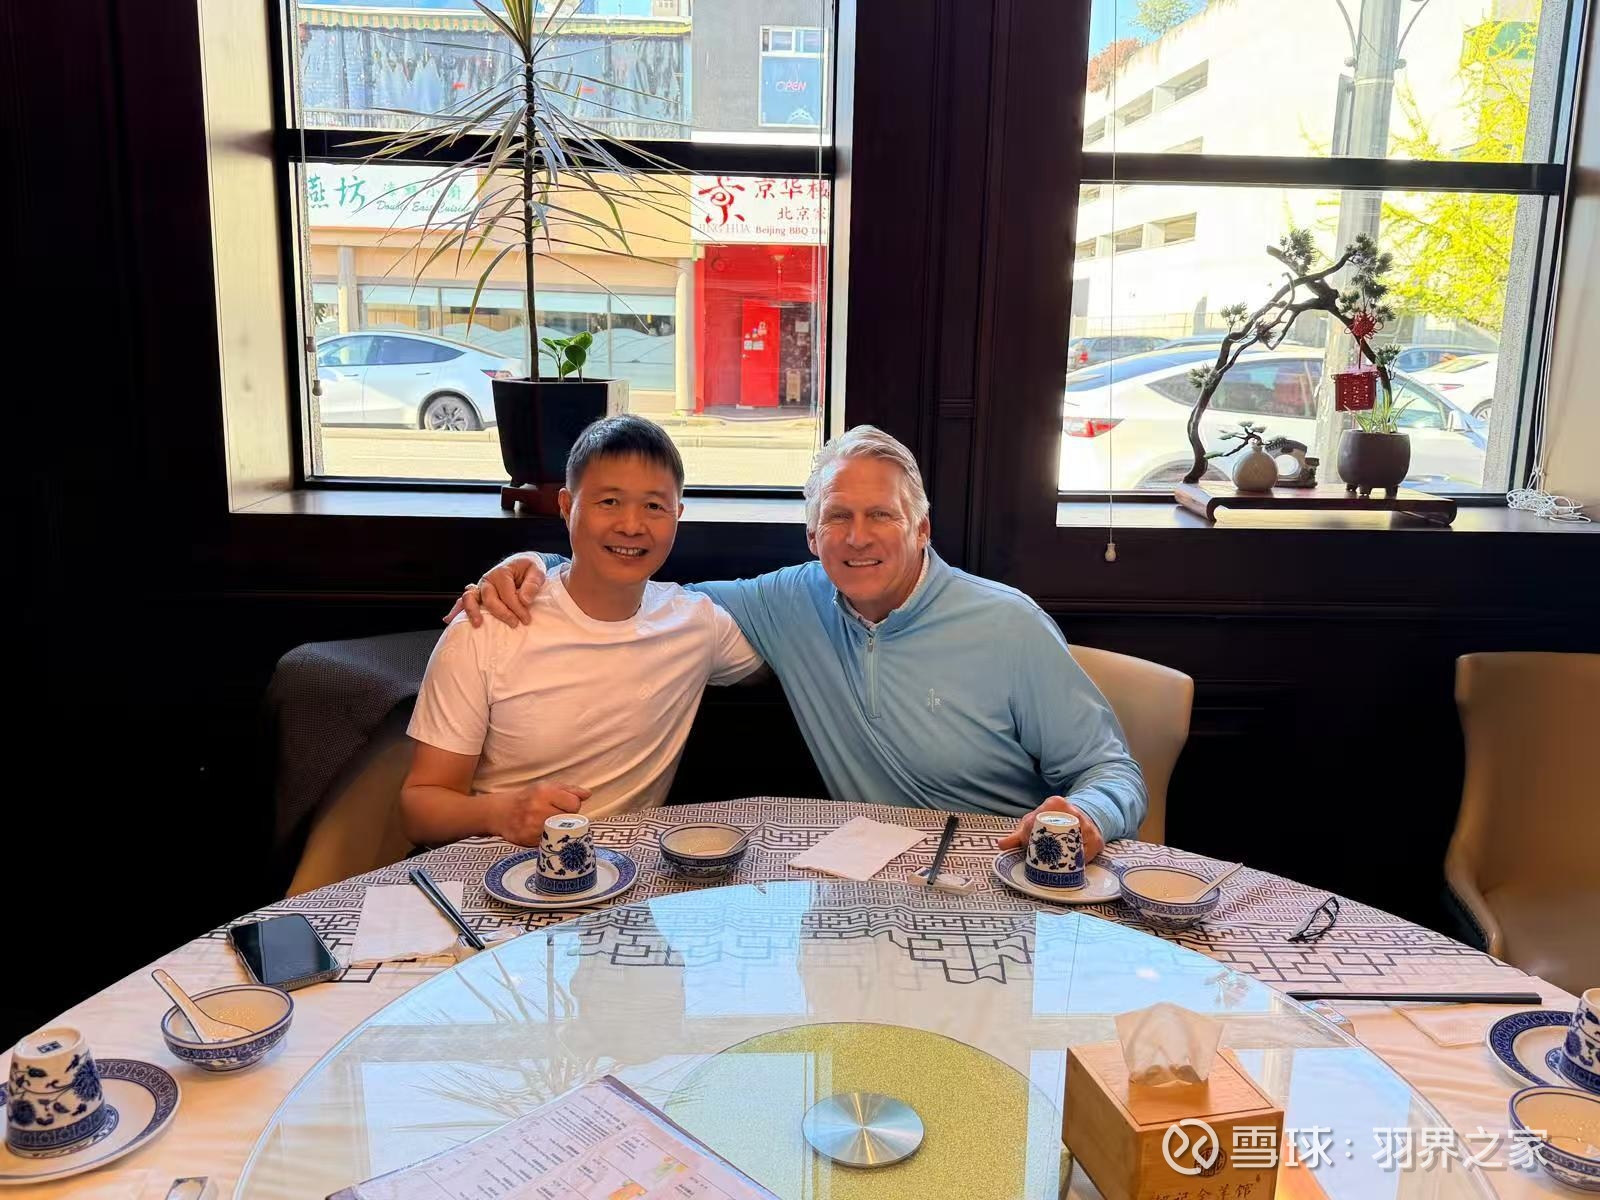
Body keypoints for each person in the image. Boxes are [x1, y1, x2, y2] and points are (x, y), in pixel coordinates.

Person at [451, 425, 1146, 860]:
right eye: (837, 517)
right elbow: (636, 588)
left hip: (1005, 869)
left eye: (882, 515)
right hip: (872, 875)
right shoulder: (794, 599)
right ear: (812, 537)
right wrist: (536, 564)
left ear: (922, 528)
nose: (858, 537)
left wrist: (1086, 813)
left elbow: (1114, 773)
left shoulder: (1008, 625)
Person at [401, 415, 763, 847]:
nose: (632, 525)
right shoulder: (488, 625)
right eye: (609, 501)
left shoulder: (697, 623)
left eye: (654, 506)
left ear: (677, 515)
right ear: (567, 506)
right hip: (495, 868)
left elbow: (783, 658)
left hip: (630, 870)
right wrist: (501, 812)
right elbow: (420, 809)